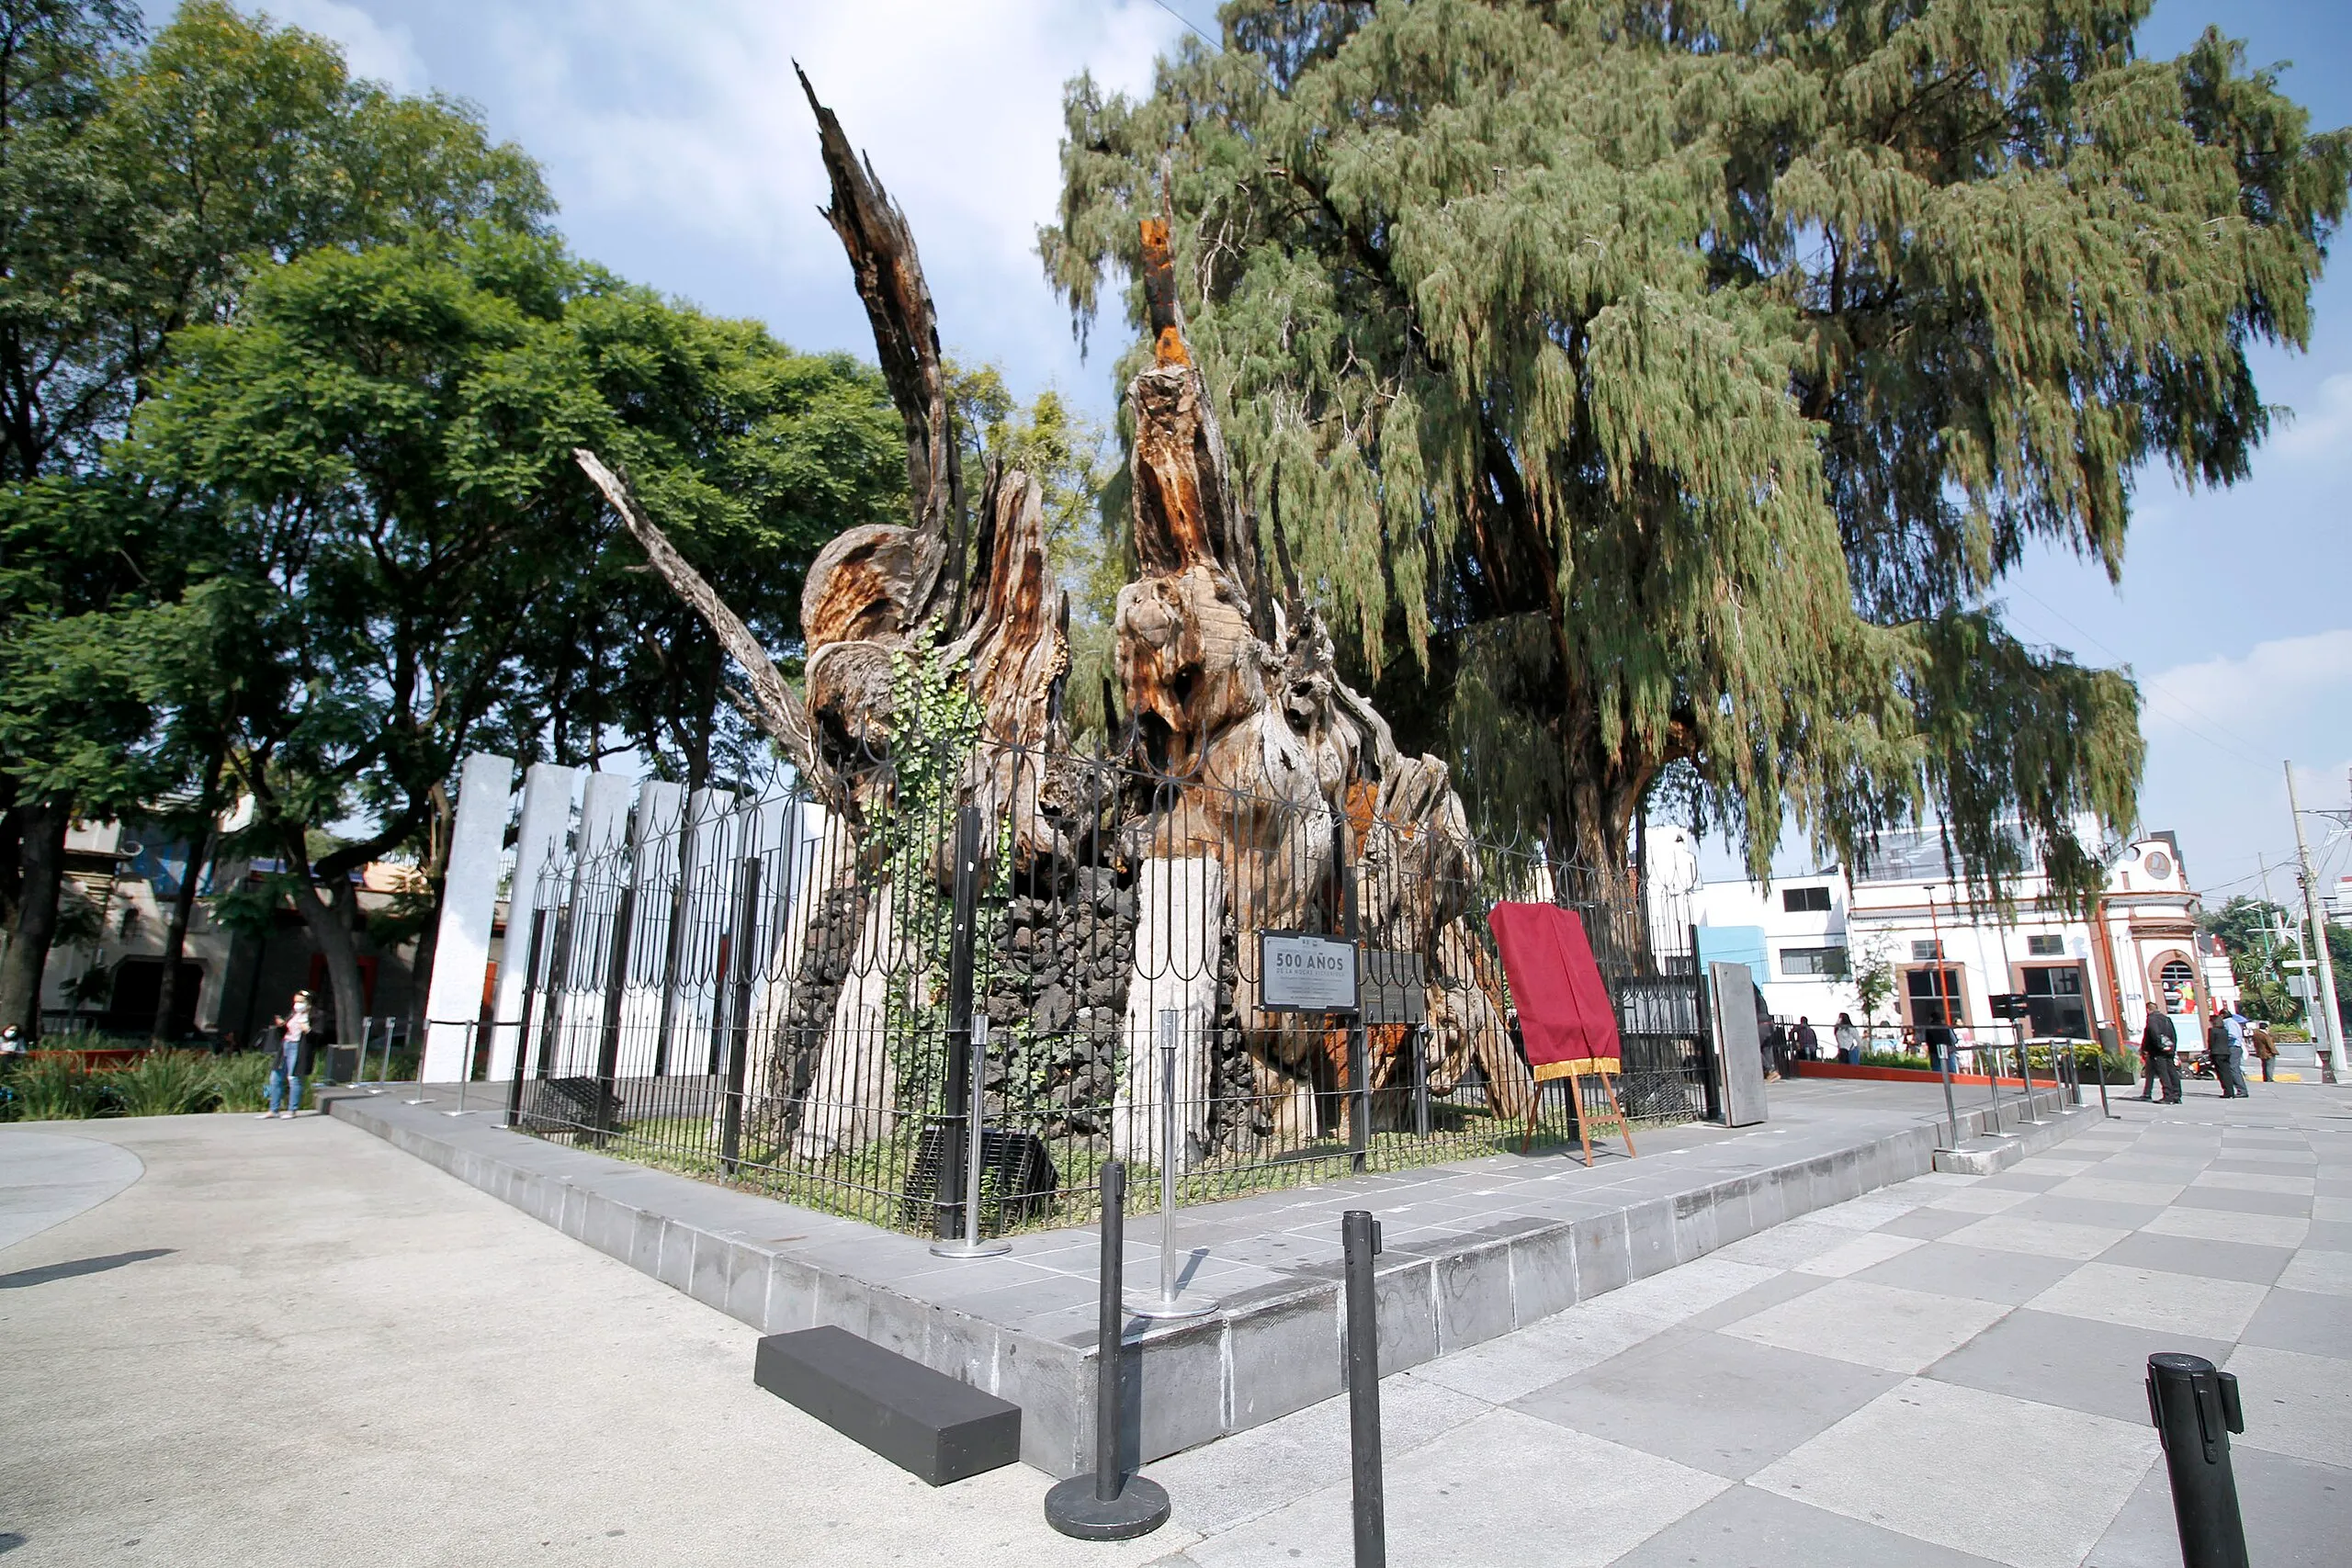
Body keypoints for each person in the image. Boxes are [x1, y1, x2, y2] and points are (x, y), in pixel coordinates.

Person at [2142, 1007, 2180, 1104]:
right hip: (2169, 1049)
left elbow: (2153, 1032)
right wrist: (2172, 1048)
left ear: (2148, 1010)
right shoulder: (2166, 1019)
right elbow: (2173, 1035)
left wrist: (2160, 1046)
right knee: (2172, 1071)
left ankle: (2167, 1096)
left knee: (2163, 1073)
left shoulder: (2152, 1019)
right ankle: (2176, 1095)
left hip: (2158, 1051)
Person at [258, 1016, 291, 1119]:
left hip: (294, 1050)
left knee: (294, 1080)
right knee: (275, 1078)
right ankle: (274, 1109)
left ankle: (292, 1110)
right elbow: (284, 1032)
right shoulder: (293, 1015)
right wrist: (282, 1026)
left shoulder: (308, 1016)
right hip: (283, 1050)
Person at [2250, 1019, 2278, 1083]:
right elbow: (2270, 1044)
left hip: (2261, 1052)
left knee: (2264, 1066)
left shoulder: (2256, 1034)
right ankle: (2269, 1078)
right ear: (2266, 1028)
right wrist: (2274, 1052)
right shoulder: (2265, 1035)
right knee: (2269, 1066)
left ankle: (2265, 1078)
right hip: (2268, 1053)